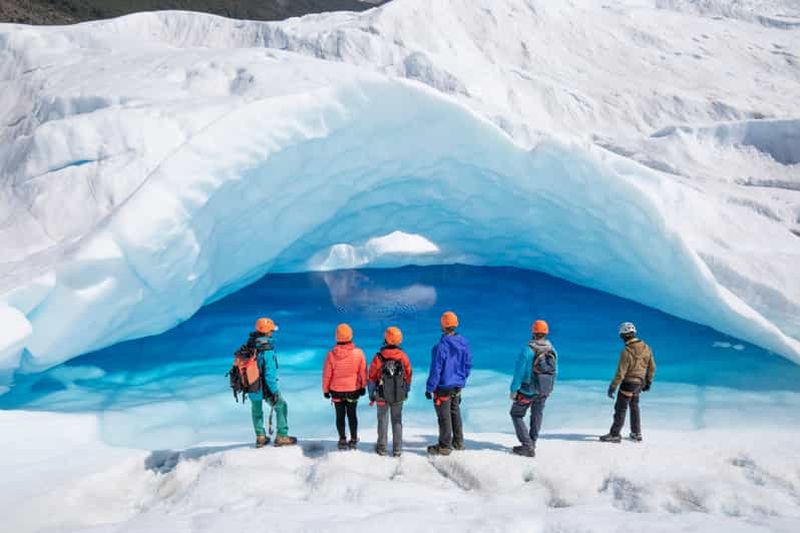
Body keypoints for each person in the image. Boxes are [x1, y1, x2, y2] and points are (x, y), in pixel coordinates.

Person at [600, 322, 656, 443]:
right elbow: (652, 367)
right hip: (639, 383)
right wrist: (648, 382)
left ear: (624, 335)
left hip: (628, 383)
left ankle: (615, 434)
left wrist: (612, 387)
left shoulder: (626, 351)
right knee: (634, 407)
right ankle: (636, 433)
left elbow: (621, 372)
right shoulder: (647, 347)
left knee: (621, 408)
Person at [425, 311, 472, 456]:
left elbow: (436, 369)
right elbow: (468, 365)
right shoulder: (464, 343)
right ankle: (458, 442)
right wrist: (461, 380)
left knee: (444, 416)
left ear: (442, 326)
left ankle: (445, 445)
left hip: (443, 387)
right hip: (457, 385)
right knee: (455, 413)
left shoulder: (440, 347)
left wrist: (429, 388)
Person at [509, 319, 558, 457]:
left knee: (516, 414)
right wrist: (550, 388)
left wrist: (513, 390)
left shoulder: (527, 350)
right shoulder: (552, 350)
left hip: (527, 391)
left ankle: (527, 445)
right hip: (544, 390)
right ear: (546, 333)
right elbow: (555, 371)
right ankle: (533, 442)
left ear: (533, 332)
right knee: (537, 415)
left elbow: (518, 372)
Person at [248, 318, 297, 448]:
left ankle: (260, 437)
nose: (272, 332)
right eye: (271, 330)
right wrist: (274, 392)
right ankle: (282, 436)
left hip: (252, 385)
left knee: (256, 410)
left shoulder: (251, 345)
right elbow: (269, 376)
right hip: (265, 387)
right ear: (267, 332)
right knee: (281, 406)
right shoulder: (267, 351)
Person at [368, 326, 413, 457]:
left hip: (381, 395)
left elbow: (371, 376)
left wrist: (371, 394)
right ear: (399, 340)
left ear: (385, 339)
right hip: (398, 394)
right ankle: (397, 449)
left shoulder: (379, 357)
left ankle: (382, 448)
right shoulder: (403, 356)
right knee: (397, 420)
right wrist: (406, 390)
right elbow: (409, 374)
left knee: (382, 420)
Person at [322, 323, 367, 450]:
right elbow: (363, 371)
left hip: (336, 391)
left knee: (339, 416)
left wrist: (325, 390)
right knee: (352, 415)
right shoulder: (359, 353)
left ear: (337, 337)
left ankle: (342, 439)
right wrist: (363, 386)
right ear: (351, 336)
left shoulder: (331, 354)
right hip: (353, 390)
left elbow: (326, 374)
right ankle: (353, 440)